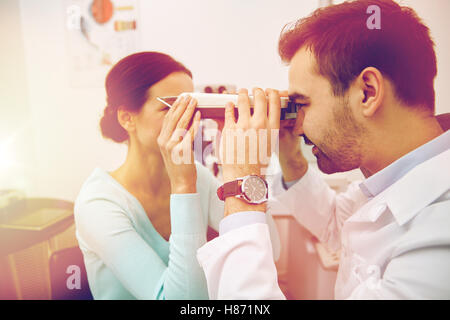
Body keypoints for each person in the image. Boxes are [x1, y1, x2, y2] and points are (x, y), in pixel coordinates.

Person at [194, 0, 450, 299]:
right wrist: (289, 156)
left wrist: (241, 191)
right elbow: (336, 225)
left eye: (302, 104)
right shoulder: (391, 178)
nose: (297, 125)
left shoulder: (439, 230)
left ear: (367, 92)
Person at [73, 51, 280, 299]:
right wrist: (183, 186)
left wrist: (250, 169)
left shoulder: (198, 176)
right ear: (127, 118)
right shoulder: (97, 204)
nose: (188, 120)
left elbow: (270, 250)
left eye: (193, 108)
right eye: (171, 108)